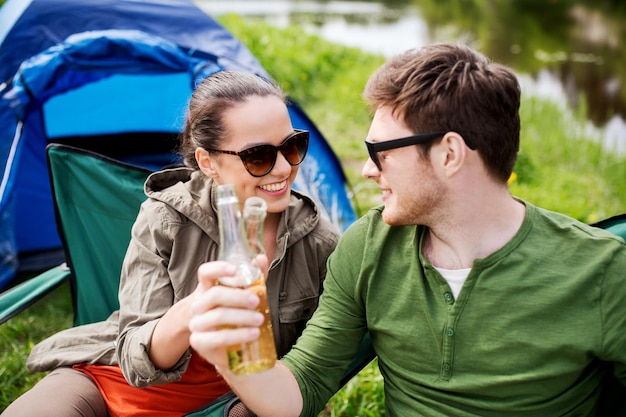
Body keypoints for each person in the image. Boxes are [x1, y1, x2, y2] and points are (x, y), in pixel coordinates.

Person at [187, 43, 626, 416]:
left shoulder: (604, 273)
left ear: (449, 154)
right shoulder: (367, 247)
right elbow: (300, 390)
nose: (365, 170)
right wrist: (237, 354)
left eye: (379, 151)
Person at [2, 70, 340, 417]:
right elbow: (134, 353)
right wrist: (194, 310)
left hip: (232, 400)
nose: (283, 167)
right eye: (258, 156)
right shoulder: (164, 219)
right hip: (114, 380)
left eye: (292, 145)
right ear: (207, 162)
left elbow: (311, 370)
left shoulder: (319, 243)